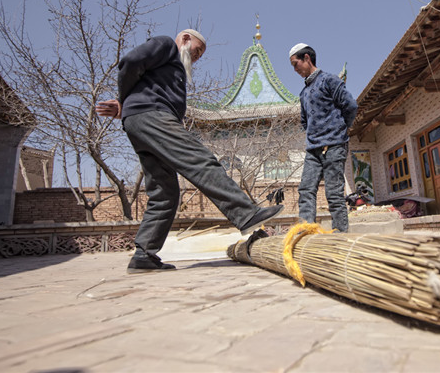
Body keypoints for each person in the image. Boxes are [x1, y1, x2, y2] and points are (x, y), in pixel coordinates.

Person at [96, 29, 283, 273]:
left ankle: (144, 254)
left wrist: (127, 107)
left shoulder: (174, 67)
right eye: (196, 51)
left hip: (141, 122)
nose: (196, 57)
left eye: (200, 55)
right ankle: (246, 214)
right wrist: (124, 101)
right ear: (185, 39)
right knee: (200, 160)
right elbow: (129, 62)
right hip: (152, 116)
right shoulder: (165, 45)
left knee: (165, 191)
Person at [289, 43, 358, 233]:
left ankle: (341, 237)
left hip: (335, 145)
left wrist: (340, 129)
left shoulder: (329, 81)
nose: (295, 70)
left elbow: (350, 105)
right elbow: (305, 121)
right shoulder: (303, 93)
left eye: (296, 64)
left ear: (307, 59)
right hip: (313, 149)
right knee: (306, 190)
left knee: (334, 193)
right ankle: (306, 233)